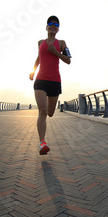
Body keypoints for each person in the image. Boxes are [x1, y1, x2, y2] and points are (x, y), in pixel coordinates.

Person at [29, 15, 71, 155]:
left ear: (58, 29)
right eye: (50, 24)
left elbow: (68, 60)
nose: (53, 26)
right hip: (41, 80)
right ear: (46, 27)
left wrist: (55, 52)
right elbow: (38, 58)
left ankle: (47, 103)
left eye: (56, 24)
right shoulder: (40, 42)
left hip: (55, 82)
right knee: (42, 111)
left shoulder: (62, 43)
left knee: (50, 113)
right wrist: (33, 72)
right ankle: (42, 142)